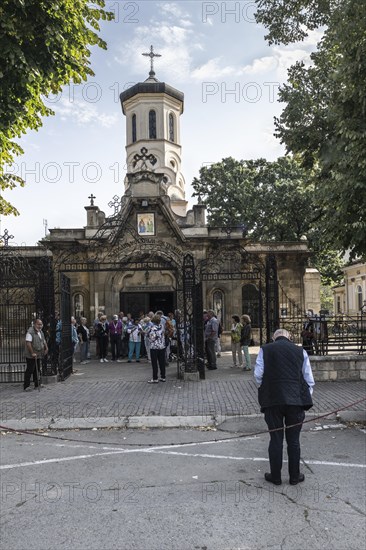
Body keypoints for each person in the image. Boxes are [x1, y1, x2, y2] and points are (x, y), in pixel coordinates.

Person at [254, 328, 315, 486]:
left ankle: (275, 477)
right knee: (293, 440)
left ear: (274, 337)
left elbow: (258, 375)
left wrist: (266, 388)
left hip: (273, 400)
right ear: (289, 337)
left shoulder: (265, 349)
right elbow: (308, 378)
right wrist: (304, 395)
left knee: (276, 438)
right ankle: (294, 477)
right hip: (295, 402)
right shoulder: (300, 351)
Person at [24, 319, 48, 391]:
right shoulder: (30, 332)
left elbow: (43, 340)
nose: (40, 326)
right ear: (34, 324)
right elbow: (28, 343)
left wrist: (46, 347)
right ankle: (26, 386)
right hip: (31, 355)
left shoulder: (40, 331)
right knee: (30, 370)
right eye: (38, 324)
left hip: (38, 353)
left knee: (37, 370)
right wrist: (32, 353)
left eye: (41, 324)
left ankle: (37, 384)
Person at [146, 314, 166, 383]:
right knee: (162, 362)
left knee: (154, 363)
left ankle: (155, 378)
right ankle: (163, 376)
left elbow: (152, 338)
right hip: (162, 346)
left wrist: (147, 335)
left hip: (154, 347)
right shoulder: (162, 326)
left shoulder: (151, 327)